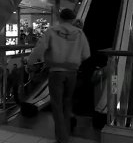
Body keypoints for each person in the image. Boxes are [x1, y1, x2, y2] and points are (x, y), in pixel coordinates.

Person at [28, 8, 90, 143]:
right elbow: (86, 54)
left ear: (60, 18)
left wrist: (29, 62)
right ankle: (65, 134)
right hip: (72, 73)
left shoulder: (51, 31)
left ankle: (62, 137)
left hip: (56, 72)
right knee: (68, 103)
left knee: (57, 105)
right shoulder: (80, 33)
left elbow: (39, 49)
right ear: (73, 19)